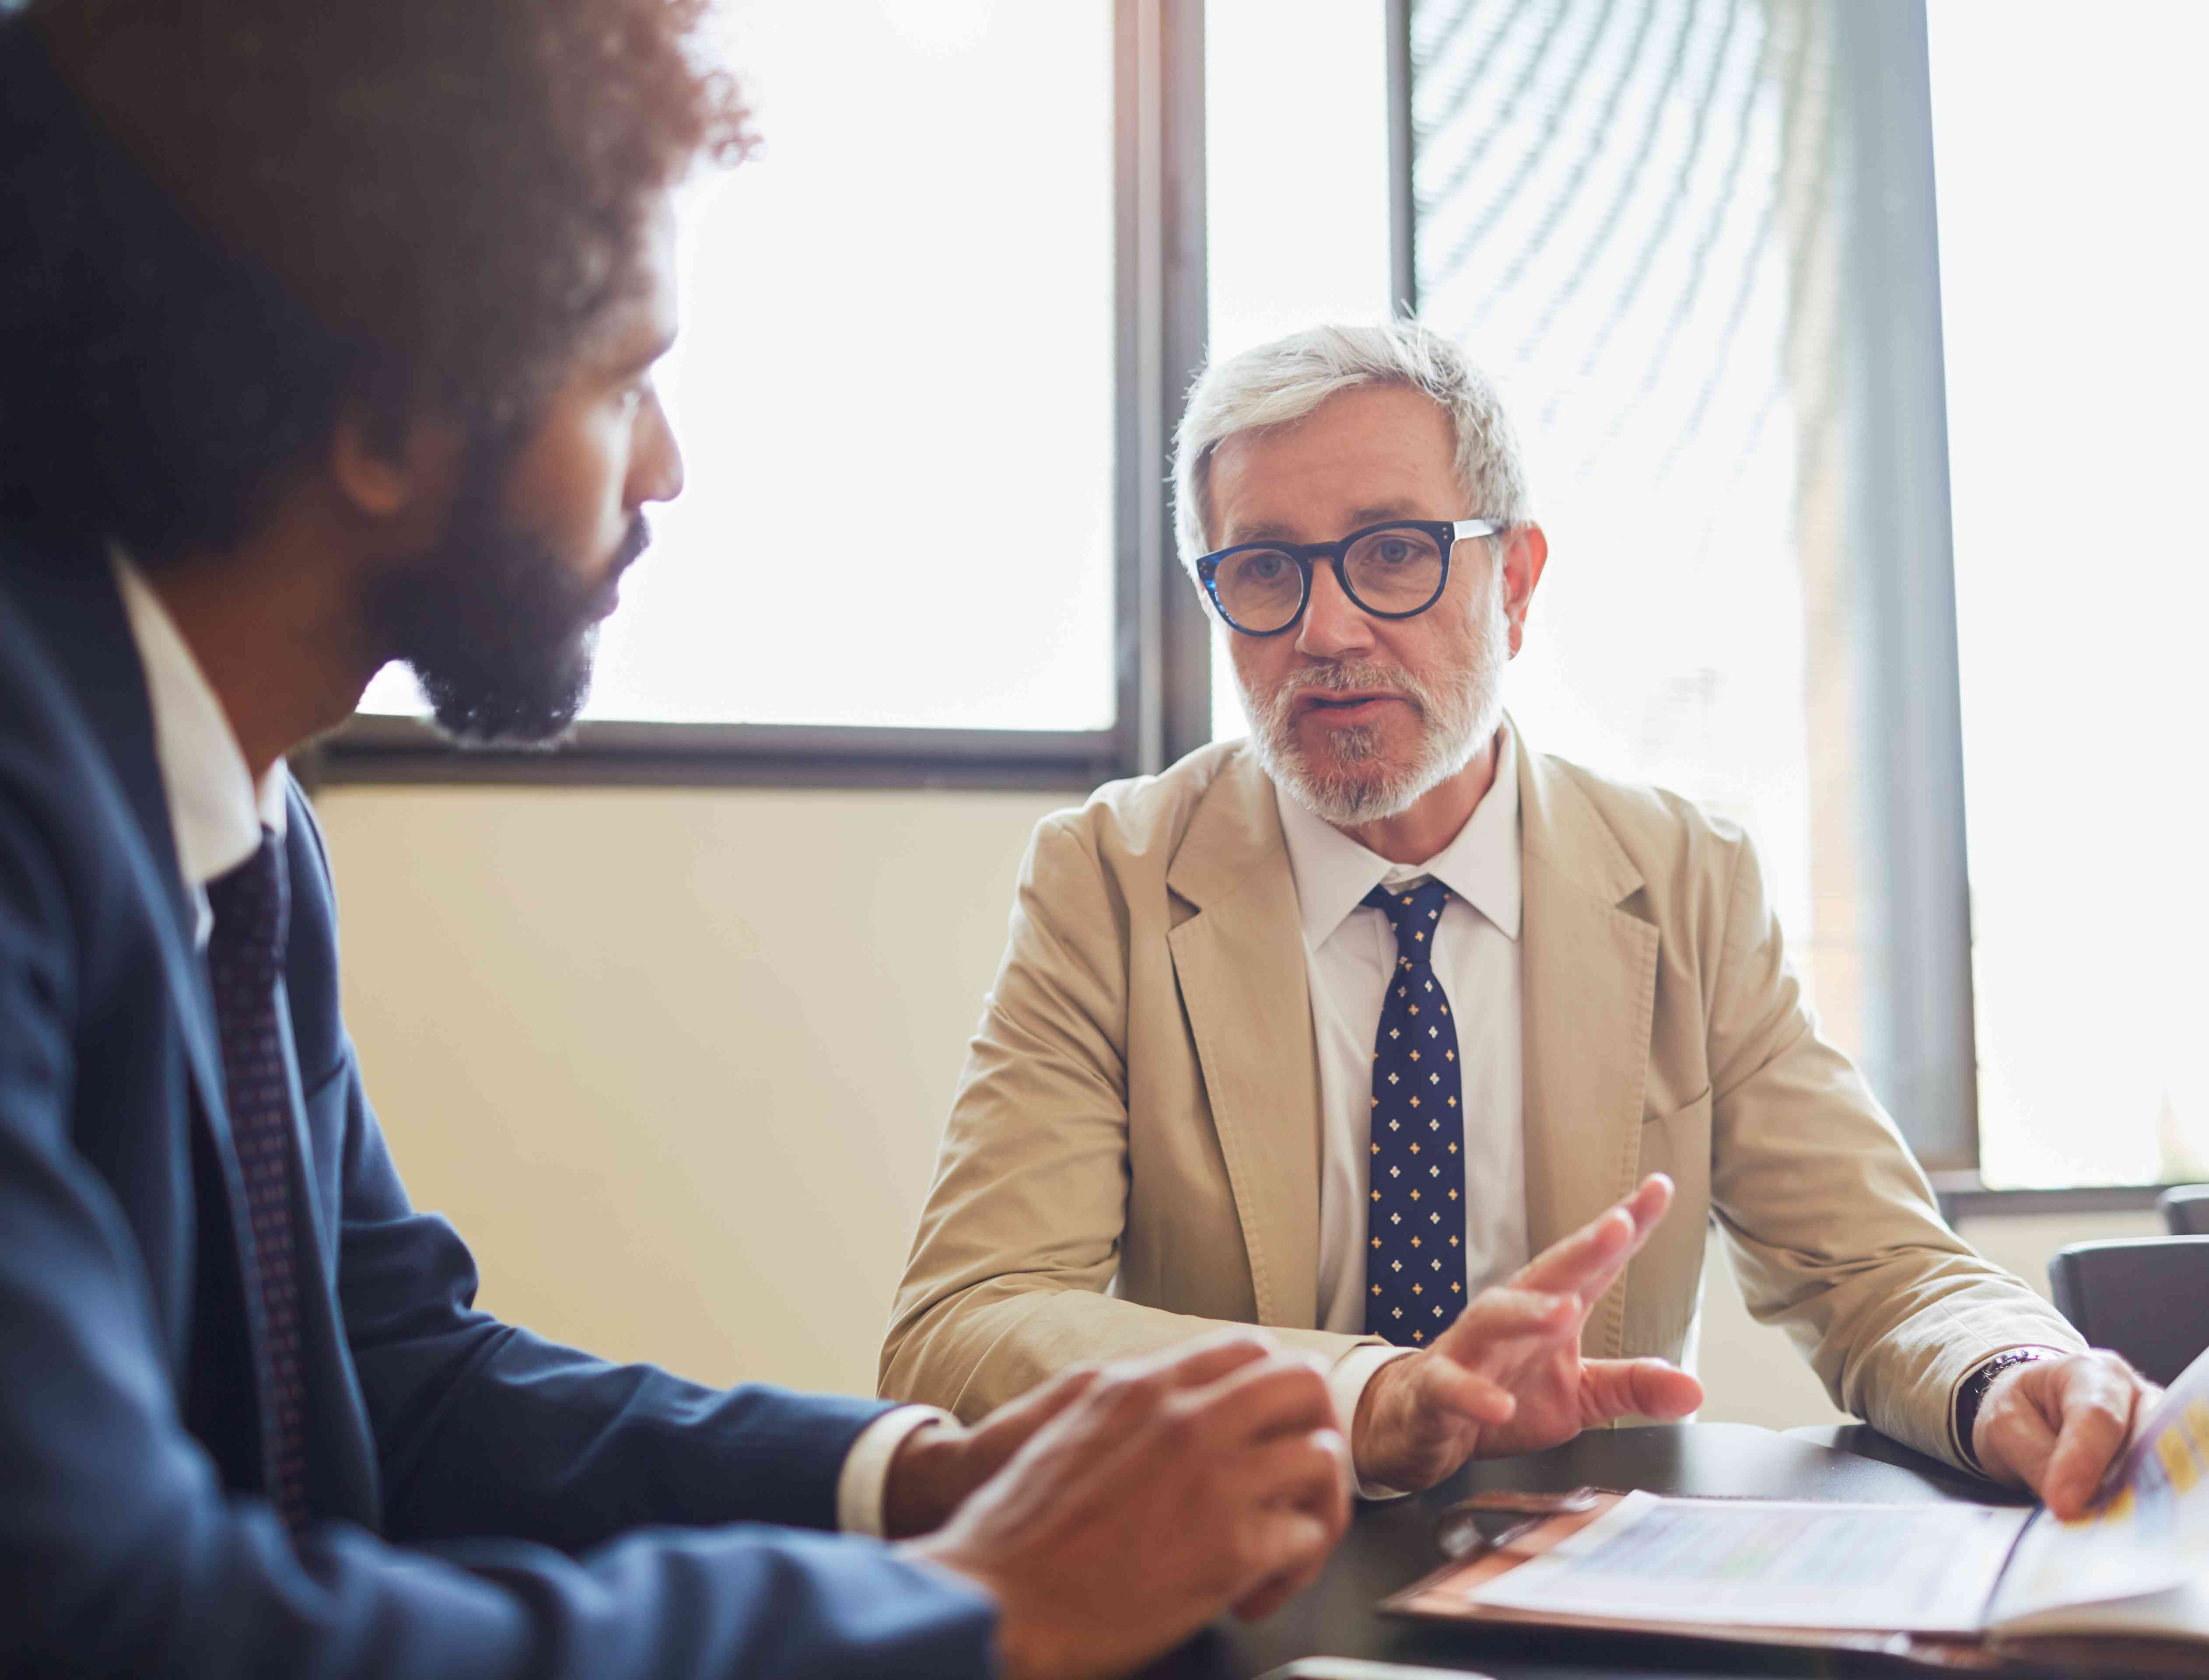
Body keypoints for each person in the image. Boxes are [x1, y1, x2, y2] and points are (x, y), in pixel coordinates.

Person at [0, 5, 1346, 1676]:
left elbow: (396, 1382)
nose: (670, 464)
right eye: (627, 380)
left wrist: (920, 1490)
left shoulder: (236, 812)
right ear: (389, 425)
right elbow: (113, 1619)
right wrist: (994, 1609)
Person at [885, 321, 2154, 1510]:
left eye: (1392, 551)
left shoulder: (1685, 877)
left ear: (1518, 580)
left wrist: (2003, 1372)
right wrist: (1365, 1396)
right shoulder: (1108, 879)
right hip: (1243, 1577)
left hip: (1592, 1587)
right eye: (1265, 568)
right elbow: (965, 1325)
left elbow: (1874, 1268)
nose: (1325, 629)